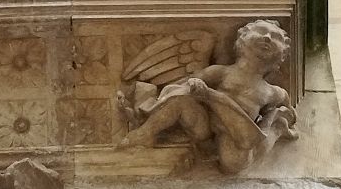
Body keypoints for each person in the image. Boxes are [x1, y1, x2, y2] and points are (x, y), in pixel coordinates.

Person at [118, 19, 298, 174]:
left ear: (282, 53)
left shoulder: (272, 92)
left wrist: (285, 117)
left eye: (276, 37)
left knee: (234, 163)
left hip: (235, 137)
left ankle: (276, 129)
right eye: (261, 31)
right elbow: (183, 85)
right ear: (242, 38)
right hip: (205, 127)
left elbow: (290, 111)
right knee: (182, 99)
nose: (267, 37)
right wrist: (155, 104)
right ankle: (145, 132)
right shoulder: (221, 72)